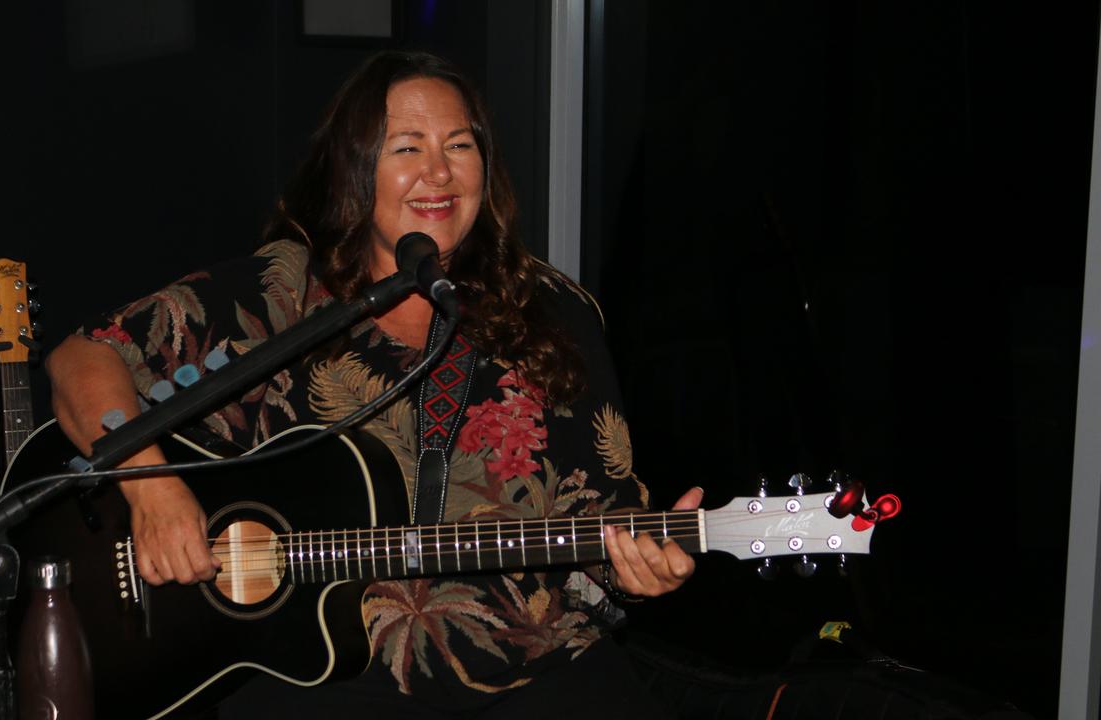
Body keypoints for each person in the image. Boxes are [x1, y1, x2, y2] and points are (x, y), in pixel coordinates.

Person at [45, 49, 702, 718]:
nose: (439, 173)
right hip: (318, 674)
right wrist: (152, 488)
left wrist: (640, 574)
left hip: (533, 670)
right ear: (354, 169)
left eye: (460, 145)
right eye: (408, 147)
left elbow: (607, 528)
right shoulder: (278, 294)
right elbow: (83, 360)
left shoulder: (558, 314)